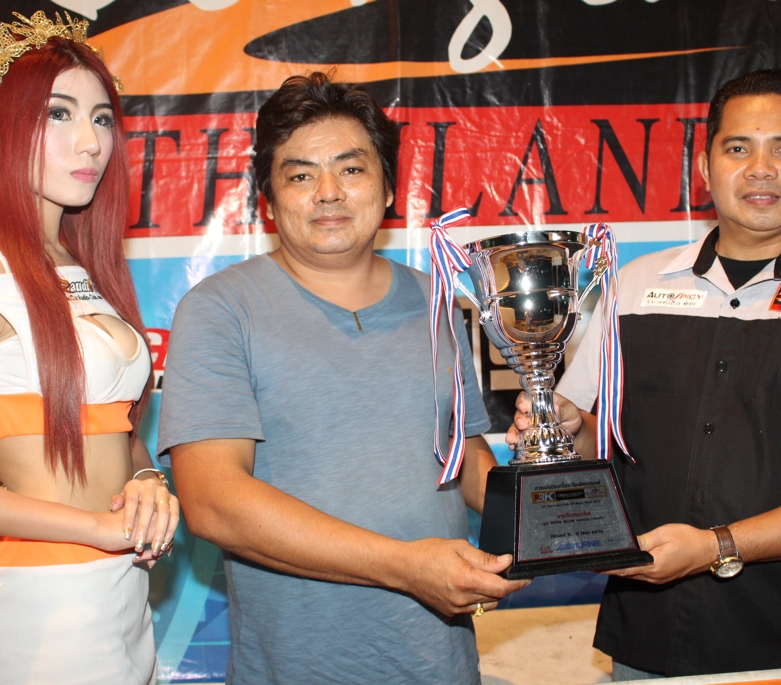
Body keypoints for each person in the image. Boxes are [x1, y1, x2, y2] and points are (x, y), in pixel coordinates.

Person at [508, 68, 781, 678]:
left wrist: (717, 546)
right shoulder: (633, 288)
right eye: (738, 148)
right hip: (649, 639)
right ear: (704, 169)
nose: (760, 169)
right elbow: (597, 439)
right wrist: (564, 426)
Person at [159, 72, 528, 684]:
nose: (328, 193)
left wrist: (545, 519)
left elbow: (462, 459)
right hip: (297, 667)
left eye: (351, 169)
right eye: (301, 176)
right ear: (268, 200)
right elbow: (213, 502)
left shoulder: (437, 302)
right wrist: (405, 567)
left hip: (440, 663)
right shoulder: (221, 309)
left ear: (388, 188)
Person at [0, 12, 178, 685]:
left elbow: (114, 434)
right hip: (53, 611)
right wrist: (92, 528)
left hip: (122, 596)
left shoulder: (78, 265)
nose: (91, 141)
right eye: (58, 114)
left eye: (102, 118)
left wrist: (146, 481)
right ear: (3, 126)